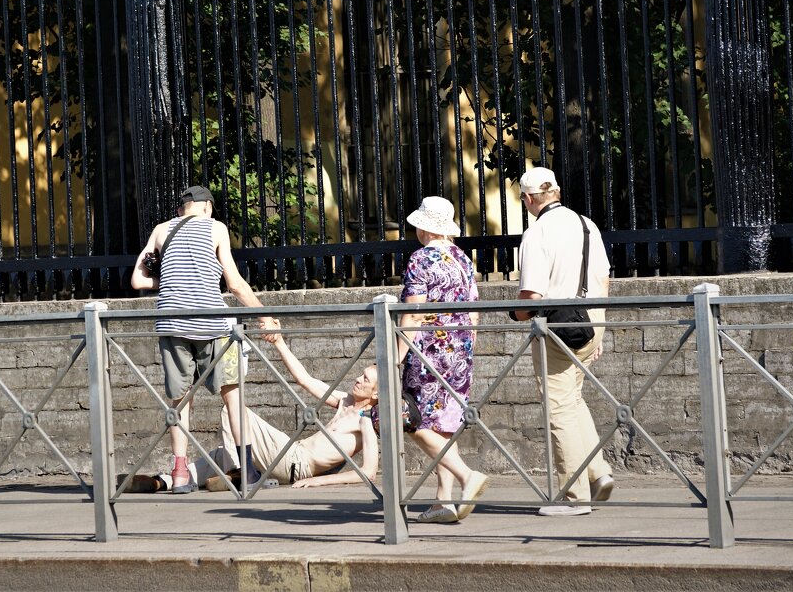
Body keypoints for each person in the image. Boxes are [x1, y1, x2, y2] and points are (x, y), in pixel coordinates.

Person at [131, 185, 276, 493]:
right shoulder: (216, 228)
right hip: (213, 326)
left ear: (182, 208)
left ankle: (180, 474)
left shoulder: (160, 230)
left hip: (172, 323)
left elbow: (137, 279)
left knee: (180, 399)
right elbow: (234, 284)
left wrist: (170, 277)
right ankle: (248, 470)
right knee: (232, 396)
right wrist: (264, 315)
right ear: (207, 207)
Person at [510, 166, 616, 516]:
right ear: (556, 191)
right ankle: (598, 472)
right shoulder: (587, 224)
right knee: (573, 400)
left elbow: (532, 295)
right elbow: (602, 277)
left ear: (528, 199)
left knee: (558, 408)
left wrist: (516, 315)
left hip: (558, 328)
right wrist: (598, 327)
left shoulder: (537, 233)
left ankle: (574, 497)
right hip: (591, 320)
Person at [396, 196, 490, 524]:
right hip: (460, 353)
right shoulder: (463, 259)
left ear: (423, 227)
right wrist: (467, 349)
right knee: (444, 427)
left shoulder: (420, 260)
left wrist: (393, 357)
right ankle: (443, 502)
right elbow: (474, 311)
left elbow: (413, 315)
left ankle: (467, 476)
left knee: (410, 420)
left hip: (427, 355)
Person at [198, 333, 380, 490]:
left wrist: (319, 481)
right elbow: (305, 380)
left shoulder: (365, 421)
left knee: (233, 409)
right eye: (360, 375)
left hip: (296, 463)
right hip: (291, 452)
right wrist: (279, 342)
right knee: (220, 455)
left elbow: (368, 472)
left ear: (377, 393)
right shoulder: (345, 400)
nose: (357, 379)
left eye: (365, 379)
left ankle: (241, 474)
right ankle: (173, 479)